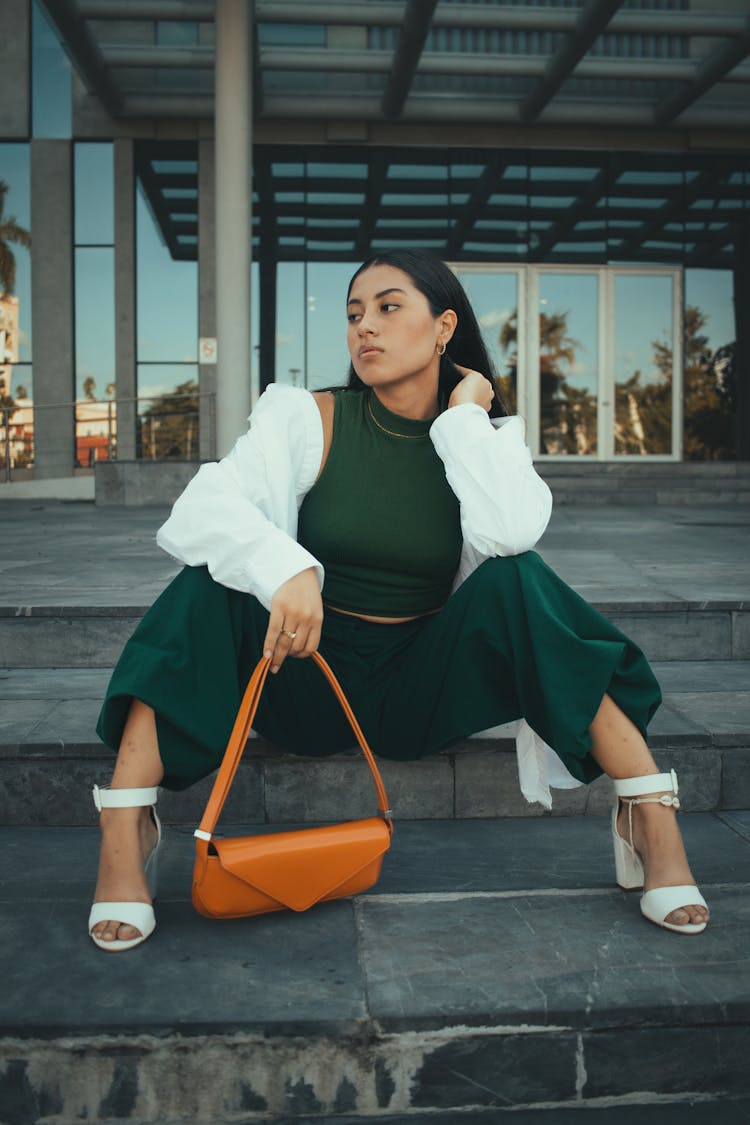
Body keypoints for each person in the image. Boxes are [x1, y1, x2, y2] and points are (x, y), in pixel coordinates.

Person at [89, 249, 709, 951]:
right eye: (355, 314)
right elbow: (204, 507)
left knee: (519, 578)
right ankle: (126, 823)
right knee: (208, 580)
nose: (364, 329)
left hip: (419, 683)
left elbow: (510, 533)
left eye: (388, 308)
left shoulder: (483, 438)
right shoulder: (307, 416)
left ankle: (647, 809)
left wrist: (465, 419)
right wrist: (286, 568)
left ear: (444, 327)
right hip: (305, 674)